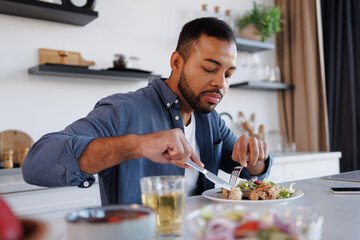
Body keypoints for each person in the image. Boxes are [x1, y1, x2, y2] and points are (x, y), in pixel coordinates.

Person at [22, 17, 273, 205]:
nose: (221, 83)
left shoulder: (211, 120)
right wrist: (137, 145)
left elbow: (251, 171)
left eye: (228, 74)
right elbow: (34, 164)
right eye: (209, 68)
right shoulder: (122, 111)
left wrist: (257, 157)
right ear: (176, 62)